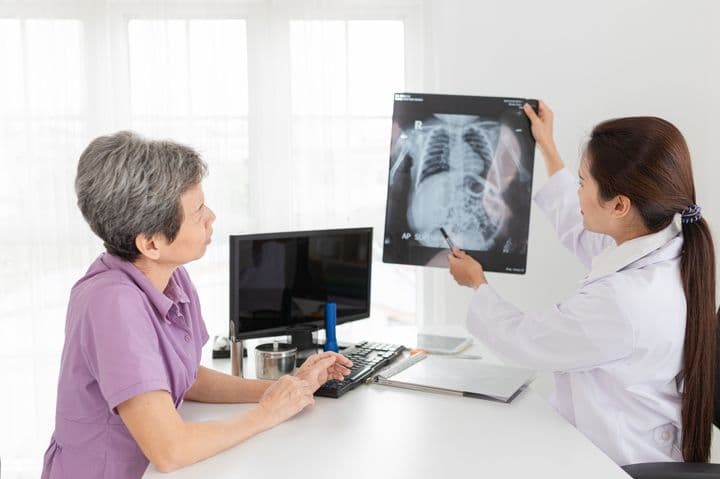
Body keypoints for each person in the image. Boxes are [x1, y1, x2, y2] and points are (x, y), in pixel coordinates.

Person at [41, 131, 353, 479]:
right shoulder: (111, 303)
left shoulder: (169, 275)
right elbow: (171, 450)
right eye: (197, 211)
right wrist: (267, 412)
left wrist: (288, 388)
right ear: (151, 242)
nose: (212, 216)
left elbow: (183, 378)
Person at [448, 102, 716, 465]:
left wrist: (477, 285)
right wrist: (548, 148)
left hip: (614, 461)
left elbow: (523, 341)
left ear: (619, 205)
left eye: (582, 182)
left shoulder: (623, 302)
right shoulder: (667, 244)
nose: (576, 193)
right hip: (638, 440)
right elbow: (582, 232)